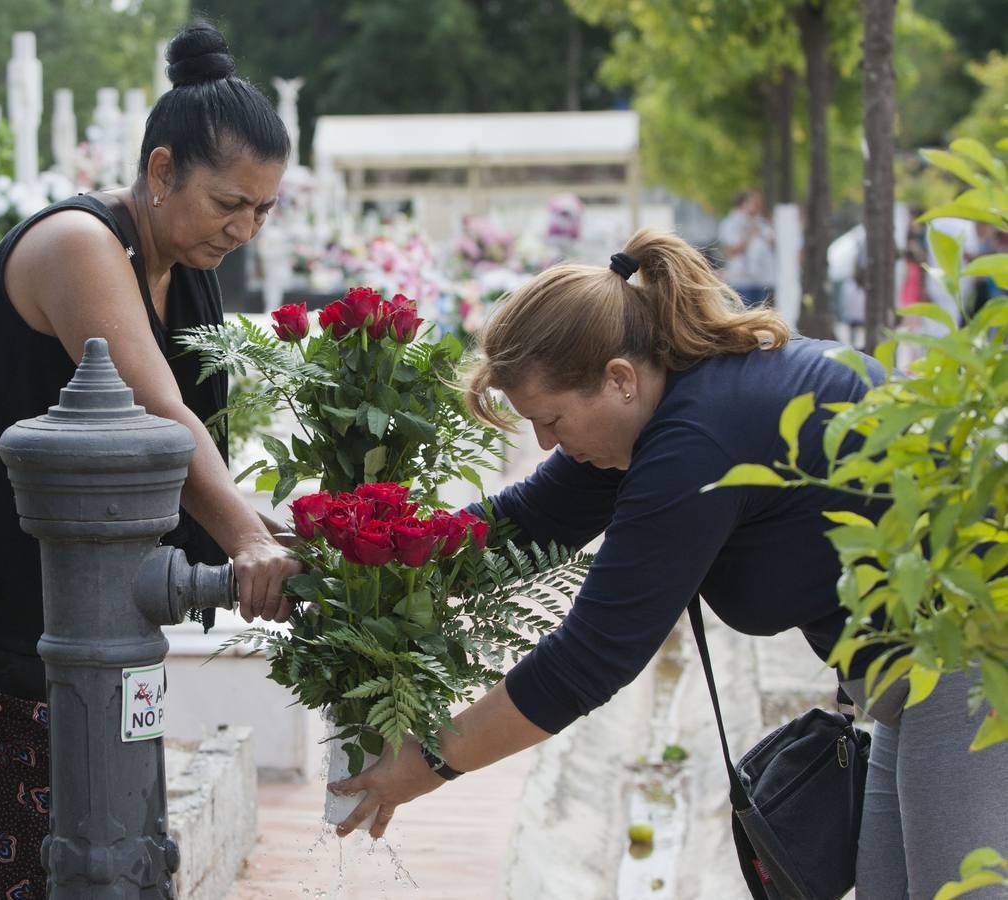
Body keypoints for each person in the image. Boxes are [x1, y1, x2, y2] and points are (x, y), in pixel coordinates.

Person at [329, 228, 1008, 898]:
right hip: (912, 686)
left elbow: (590, 658)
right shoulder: (664, 403)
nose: (545, 442)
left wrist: (429, 763)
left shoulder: (697, 439)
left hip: (972, 664)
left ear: (618, 378)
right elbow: (521, 524)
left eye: (552, 420)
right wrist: (360, 556)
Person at [0, 22, 301, 897]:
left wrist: (263, 527)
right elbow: (161, 413)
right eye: (229, 204)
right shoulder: (79, 245)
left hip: (78, 607)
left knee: (73, 843)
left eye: (264, 209)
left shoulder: (187, 262)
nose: (245, 229)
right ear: (162, 169)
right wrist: (246, 539)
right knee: (47, 849)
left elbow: (189, 435)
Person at [718, 188, 776, 307]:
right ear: (744, 203)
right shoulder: (731, 223)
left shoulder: (761, 222)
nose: (759, 205)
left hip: (761, 280)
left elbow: (772, 245)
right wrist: (749, 235)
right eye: (754, 202)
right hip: (742, 280)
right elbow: (730, 251)